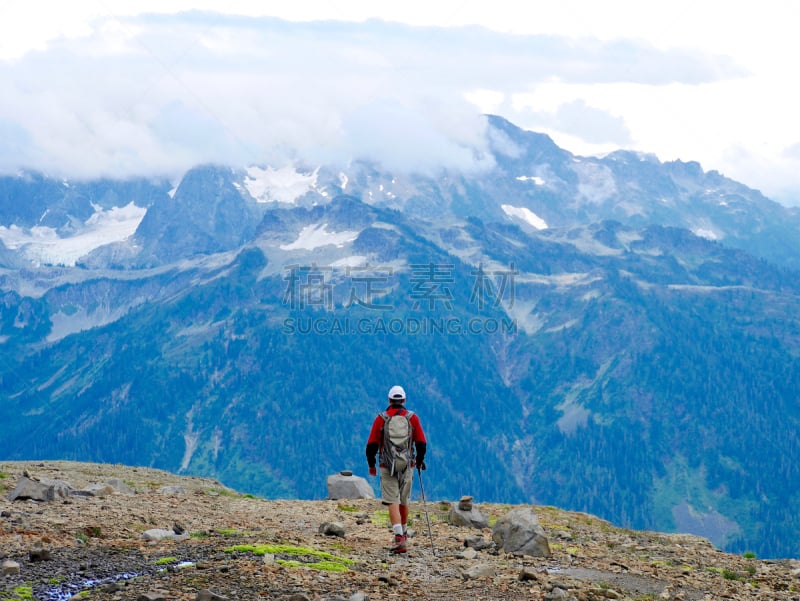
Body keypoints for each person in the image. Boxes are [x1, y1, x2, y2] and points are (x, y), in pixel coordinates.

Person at [365, 385, 427, 553]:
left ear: (389, 400)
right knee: (404, 500)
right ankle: (404, 532)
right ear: (404, 400)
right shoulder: (412, 418)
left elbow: (371, 445)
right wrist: (419, 461)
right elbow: (421, 443)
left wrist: (372, 465)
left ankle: (399, 537)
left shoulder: (381, 419)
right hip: (407, 465)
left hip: (387, 464)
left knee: (392, 500)